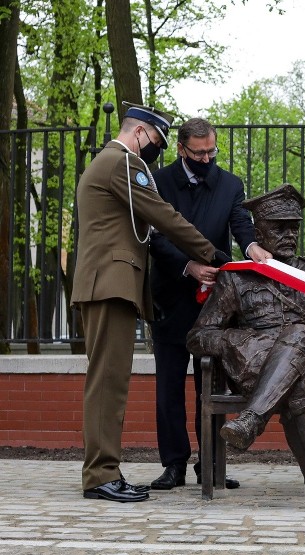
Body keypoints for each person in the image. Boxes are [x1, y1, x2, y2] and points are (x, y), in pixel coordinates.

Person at [71, 102, 230, 503]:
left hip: (106, 284)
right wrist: (216, 257)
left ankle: (104, 471)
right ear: (140, 132)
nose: (155, 148)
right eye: (157, 140)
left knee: (107, 381)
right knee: (108, 384)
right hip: (111, 284)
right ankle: (100, 475)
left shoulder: (107, 164)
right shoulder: (124, 164)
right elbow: (165, 217)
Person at [186, 183, 305, 516]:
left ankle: (251, 419)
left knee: (299, 334)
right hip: (274, 373)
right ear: (257, 231)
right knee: (298, 389)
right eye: (278, 228)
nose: (288, 234)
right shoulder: (237, 279)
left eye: (293, 227)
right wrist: (241, 342)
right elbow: (198, 336)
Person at [148, 118, 273, 491]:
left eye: (211, 151)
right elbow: (154, 237)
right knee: (169, 385)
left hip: (215, 304)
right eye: (198, 152)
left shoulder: (231, 184)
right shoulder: (158, 181)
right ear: (181, 149)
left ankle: (212, 463)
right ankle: (173, 465)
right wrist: (189, 266)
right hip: (171, 295)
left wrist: (253, 249)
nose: (206, 158)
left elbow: (241, 227)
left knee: (214, 386)